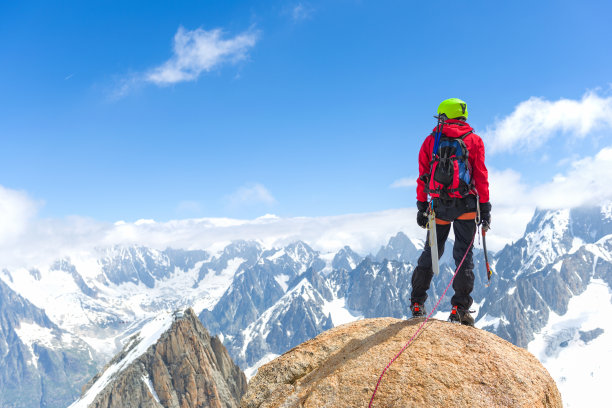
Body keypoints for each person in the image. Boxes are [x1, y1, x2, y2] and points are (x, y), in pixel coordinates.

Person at [410, 98, 491, 326]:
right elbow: (481, 176)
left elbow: (423, 175)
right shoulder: (474, 140)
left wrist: (421, 205)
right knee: (463, 257)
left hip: (439, 207)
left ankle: (417, 303)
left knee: (431, 252)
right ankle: (459, 309)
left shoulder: (430, 141)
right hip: (466, 205)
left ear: (443, 116)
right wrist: (485, 208)